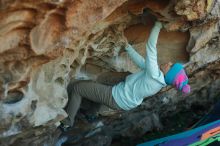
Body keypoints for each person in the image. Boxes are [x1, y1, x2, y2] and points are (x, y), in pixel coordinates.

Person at [61, 21, 191, 130]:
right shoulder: (158, 79)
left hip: (116, 97)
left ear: (169, 74)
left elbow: (151, 47)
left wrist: (158, 25)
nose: (169, 63)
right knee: (115, 79)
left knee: (78, 88)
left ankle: (67, 122)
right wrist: (128, 47)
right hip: (126, 100)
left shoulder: (154, 75)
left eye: (171, 66)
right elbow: (142, 62)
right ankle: (91, 114)